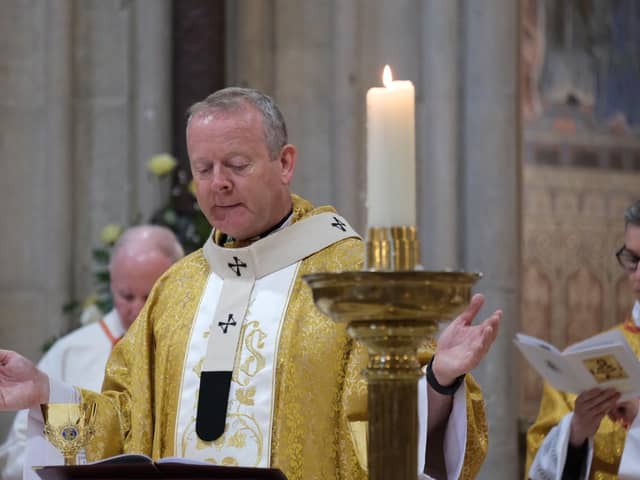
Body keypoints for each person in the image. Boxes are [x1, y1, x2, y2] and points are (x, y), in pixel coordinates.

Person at [0, 87, 502, 480]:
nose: (219, 182)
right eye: (204, 169)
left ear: (285, 163)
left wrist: (439, 377)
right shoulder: (176, 289)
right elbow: (128, 426)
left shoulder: (352, 280)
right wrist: (46, 392)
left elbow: (388, 438)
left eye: (237, 165)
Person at [0, 225, 184, 480]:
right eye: (126, 296)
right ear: (112, 283)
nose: (138, 309)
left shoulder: (193, 348)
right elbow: (17, 452)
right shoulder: (70, 353)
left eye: (150, 297)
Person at [526, 200, 640, 480]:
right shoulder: (586, 362)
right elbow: (538, 467)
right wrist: (576, 432)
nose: (637, 275)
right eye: (632, 259)